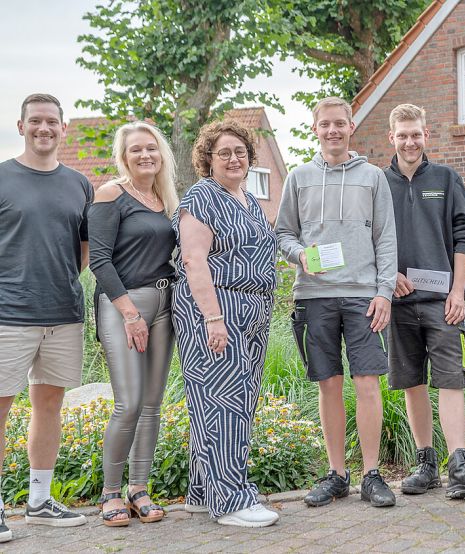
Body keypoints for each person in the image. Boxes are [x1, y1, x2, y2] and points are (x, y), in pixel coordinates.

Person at [276, 97, 398, 508]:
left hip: (364, 295)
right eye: (325, 124)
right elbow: (283, 235)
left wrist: (384, 292)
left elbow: (386, 238)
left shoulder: (373, 177)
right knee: (329, 384)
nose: (333, 131)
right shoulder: (298, 177)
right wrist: (299, 256)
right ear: (314, 129)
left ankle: (371, 474)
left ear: (351, 127)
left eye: (340, 124)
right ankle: (336, 474)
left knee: (367, 383)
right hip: (314, 296)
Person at [382, 104, 465, 498]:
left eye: (416, 134)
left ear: (426, 135)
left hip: (442, 301)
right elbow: (368, 238)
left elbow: (464, 233)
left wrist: (457, 291)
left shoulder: (446, 178)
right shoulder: (378, 183)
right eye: (403, 135)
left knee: (451, 379)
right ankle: (425, 464)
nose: (410, 141)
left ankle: (460, 464)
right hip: (397, 302)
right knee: (411, 382)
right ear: (392, 138)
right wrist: (388, 276)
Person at [173, 119, 279, 526]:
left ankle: (202, 491)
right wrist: (213, 318)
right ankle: (231, 501)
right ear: (208, 160)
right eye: (224, 153)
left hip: (252, 311)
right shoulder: (202, 196)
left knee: (238, 402)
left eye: (240, 152)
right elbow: (193, 260)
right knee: (222, 404)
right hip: (217, 308)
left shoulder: (250, 201)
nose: (234, 159)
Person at [0, 93, 92, 540]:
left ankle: (39, 500)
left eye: (51, 121)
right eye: (35, 121)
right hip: (7, 315)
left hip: (62, 313)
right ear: (21, 126)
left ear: (63, 127)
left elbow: (84, 249)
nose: (44, 128)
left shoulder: (79, 183)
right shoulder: (1, 177)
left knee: (49, 407)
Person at [90, 122, 178, 526]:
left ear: (161, 154)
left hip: (165, 303)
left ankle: (138, 489)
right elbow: (99, 261)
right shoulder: (111, 194)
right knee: (128, 403)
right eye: (136, 150)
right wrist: (129, 313)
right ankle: (110, 494)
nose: (145, 155)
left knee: (152, 404)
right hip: (123, 304)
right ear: (123, 157)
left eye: (152, 149)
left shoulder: (165, 198)